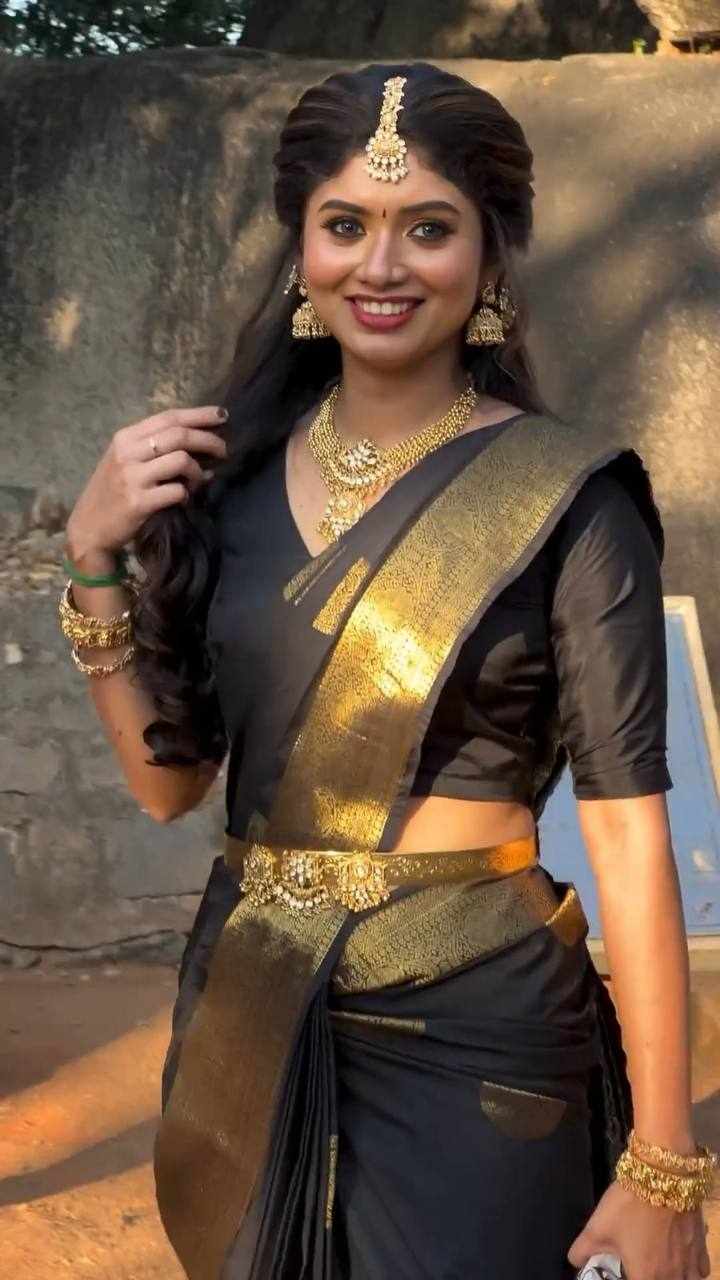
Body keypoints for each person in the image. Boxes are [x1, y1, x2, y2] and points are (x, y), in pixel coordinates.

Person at [59, 62, 715, 1280]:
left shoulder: (568, 498)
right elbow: (169, 785)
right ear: (302, 248)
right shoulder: (223, 486)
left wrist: (666, 1158)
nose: (382, 264)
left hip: (476, 1019)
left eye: (428, 227)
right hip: (251, 1008)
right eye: (346, 223)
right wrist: (96, 563)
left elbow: (627, 828)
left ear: (489, 253)